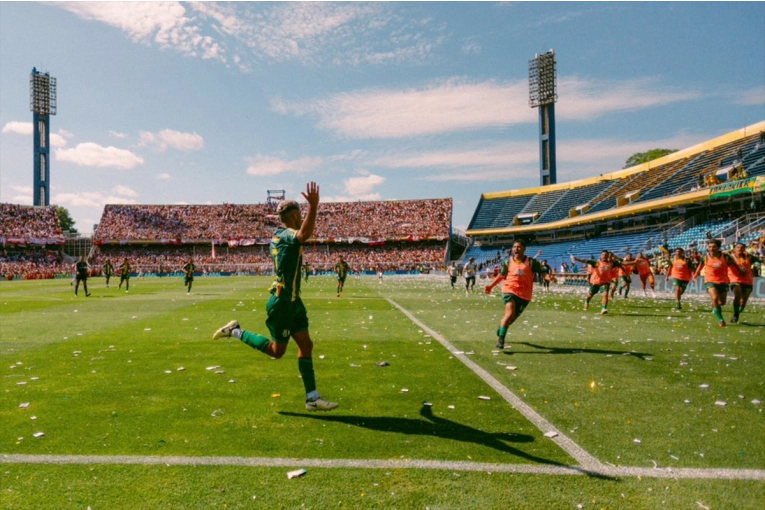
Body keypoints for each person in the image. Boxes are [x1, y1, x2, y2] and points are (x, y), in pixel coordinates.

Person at [212, 182, 338, 412]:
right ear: (295, 215)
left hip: (293, 301)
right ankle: (236, 331)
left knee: (306, 345)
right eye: (300, 214)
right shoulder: (288, 234)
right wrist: (314, 206)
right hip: (282, 303)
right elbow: (304, 234)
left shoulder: (279, 235)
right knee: (277, 352)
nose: (302, 218)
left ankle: (312, 398)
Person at [484, 241, 547, 349]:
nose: (516, 249)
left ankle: (501, 328)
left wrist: (549, 277)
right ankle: (501, 340)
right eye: (514, 247)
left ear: (524, 249)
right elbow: (501, 276)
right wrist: (491, 286)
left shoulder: (531, 262)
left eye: (519, 247)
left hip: (525, 294)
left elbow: (543, 273)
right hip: (510, 290)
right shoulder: (508, 262)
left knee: (511, 319)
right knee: (509, 314)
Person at [692, 239, 740, 327]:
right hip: (710, 280)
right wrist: (695, 275)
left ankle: (715, 308)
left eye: (714, 247)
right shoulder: (705, 257)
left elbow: (733, 264)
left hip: (723, 281)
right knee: (714, 298)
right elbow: (700, 265)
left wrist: (739, 271)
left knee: (722, 302)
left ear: (718, 247)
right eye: (709, 247)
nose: (711, 249)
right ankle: (720, 320)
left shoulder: (725, 256)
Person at [572, 251, 623, 315]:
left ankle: (603, 309)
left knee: (605, 294)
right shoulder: (597, 262)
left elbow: (622, 261)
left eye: (606, 255)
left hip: (605, 282)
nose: (604, 256)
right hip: (596, 282)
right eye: (603, 254)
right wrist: (576, 259)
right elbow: (585, 261)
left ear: (608, 256)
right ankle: (587, 301)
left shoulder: (611, 263)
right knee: (591, 294)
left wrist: (635, 262)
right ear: (601, 256)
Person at [728, 241, 761, 323]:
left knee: (743, 303)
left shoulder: (749, 257)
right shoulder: (730, 257)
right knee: (737, 294)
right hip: (734, 279)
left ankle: (737, 312)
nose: (740, 249)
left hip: (747, 281)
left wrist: (757, 265)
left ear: (744, 249)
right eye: (738, 247)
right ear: (734, 249)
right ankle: (736, 314)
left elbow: (758, 261)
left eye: (742, 248)